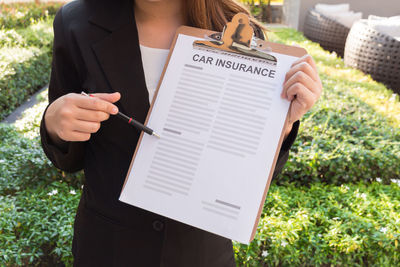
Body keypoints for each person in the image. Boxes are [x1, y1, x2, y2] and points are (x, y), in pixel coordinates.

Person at [40, 0, 322, 266]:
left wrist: (283, 125)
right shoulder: (75, 22)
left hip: (202, 253)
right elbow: (68, 157)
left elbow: (244, 177)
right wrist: (54, 123)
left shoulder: (239, 31)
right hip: (109, 249)